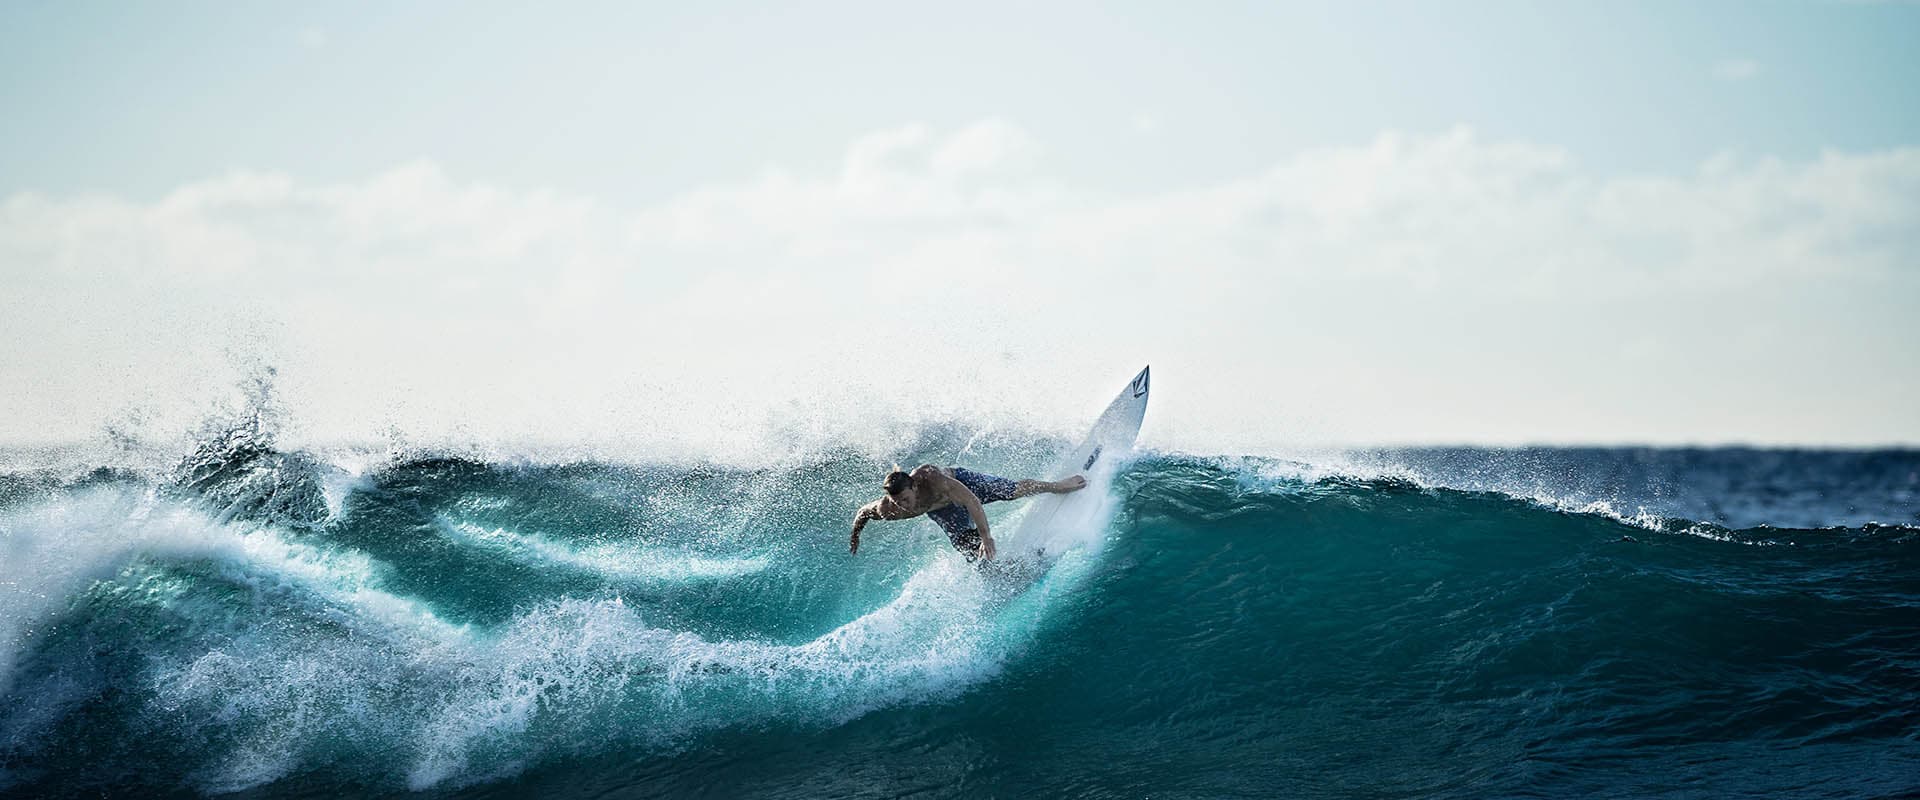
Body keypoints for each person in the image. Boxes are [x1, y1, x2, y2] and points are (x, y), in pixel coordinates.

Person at [849, 464, 1087, 561]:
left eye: (906, 499)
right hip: (943, 513)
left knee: (1010, 491)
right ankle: (1002, 572)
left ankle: (1057, 486)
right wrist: (855, 535)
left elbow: (972, 502)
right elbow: (864, 512)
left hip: (964, 486)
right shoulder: (890, 509)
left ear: (913, 485)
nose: (904, 506)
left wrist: (987, 536)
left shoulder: (933, 479)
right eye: (898, 502)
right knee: (969, 550)